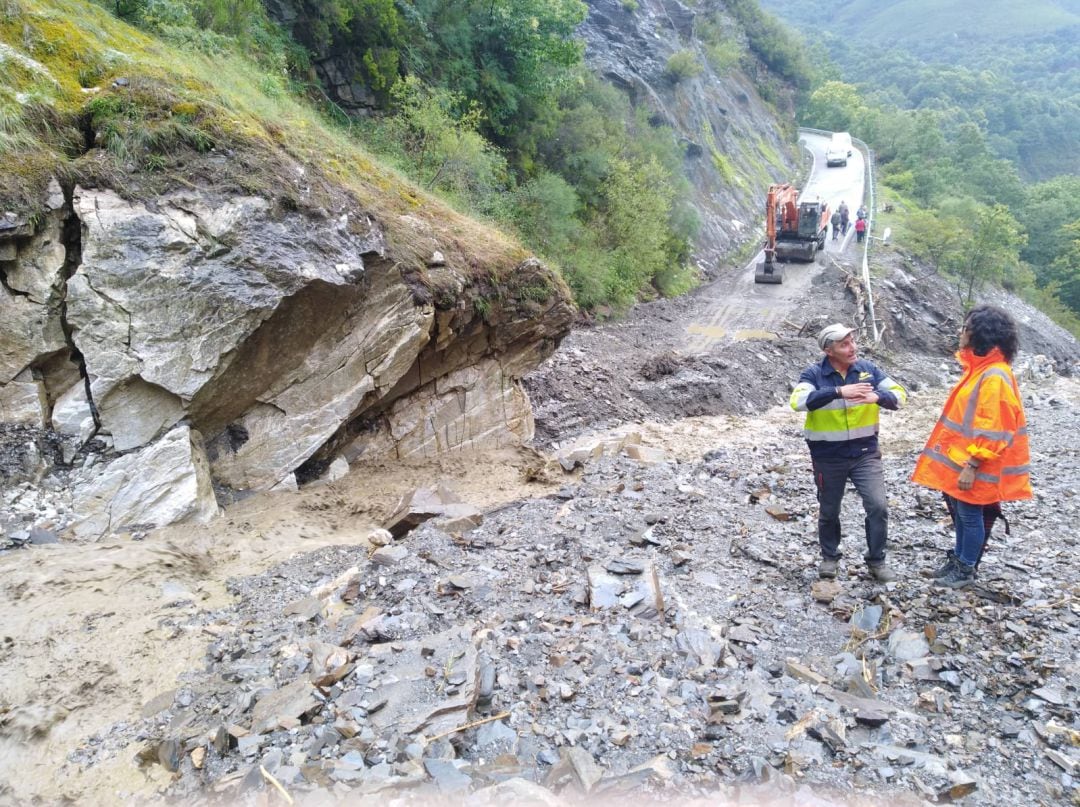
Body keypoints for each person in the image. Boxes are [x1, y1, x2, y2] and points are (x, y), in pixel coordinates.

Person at [911, 305, 1032, 589]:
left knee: (969, 515)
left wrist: (973, 465)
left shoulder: (993, 376)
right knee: (963, 513)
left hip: (976, 464)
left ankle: (965, 569)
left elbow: (994, 427)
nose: (960, 332)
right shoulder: (982, 370)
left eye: (965, 328)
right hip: (964, 460)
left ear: (980, 334)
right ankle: (959, 560)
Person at [791, 324, 908, 581]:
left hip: (865, 453)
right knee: (829, 510)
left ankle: (876, 560)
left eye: (852, 341)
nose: (852, 347)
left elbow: (900, 395)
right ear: (828, 350)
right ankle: (830, 557)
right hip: (828, 457)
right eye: (844, 344)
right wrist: (838, 392)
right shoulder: (813, 374)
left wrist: (877, 397)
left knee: (878, 506)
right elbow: (798, 402)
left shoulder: (868, 370)